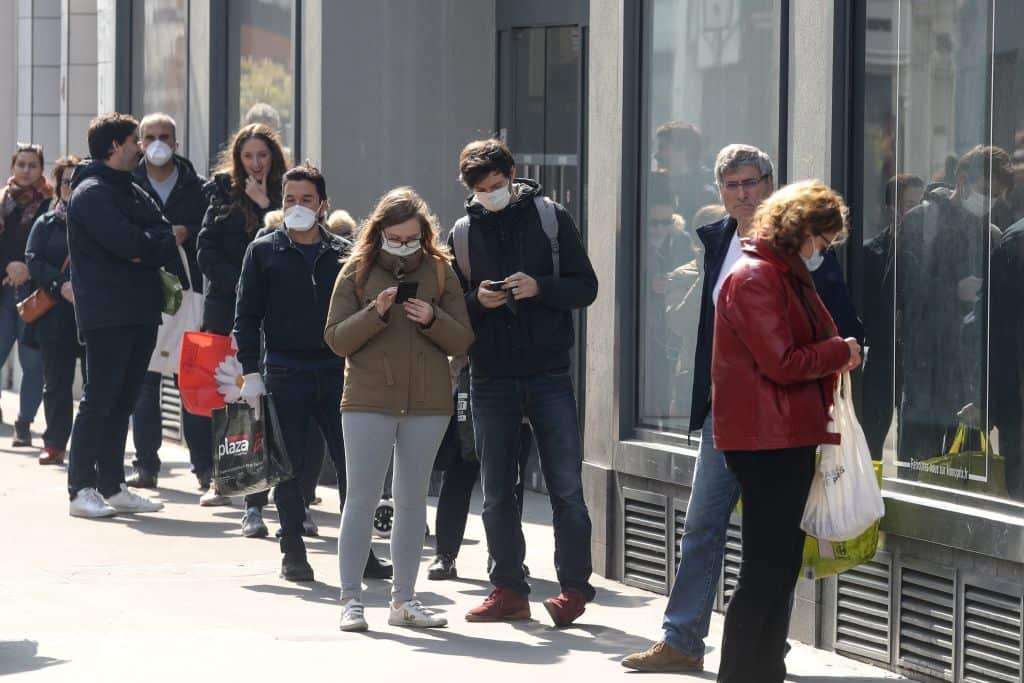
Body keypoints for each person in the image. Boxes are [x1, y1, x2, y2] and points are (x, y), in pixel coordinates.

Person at [623, 144, 776, 672]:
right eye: (732, 185)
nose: (743, 193)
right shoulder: (719, 240)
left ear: (769, 184)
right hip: (722, 408)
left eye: (751, 182)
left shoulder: (791, 242)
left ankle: (764, 647)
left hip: (778, 414)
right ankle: (683, 640)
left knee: (768, 534)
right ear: (720, 193)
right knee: (702, 525)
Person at [712, 180, 860, 683]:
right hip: (766, 439)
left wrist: (836, 350)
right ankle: (742, 672)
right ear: (803, 231)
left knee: (778, 568)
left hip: (782, 434)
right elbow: (782, 361)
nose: (826, 249)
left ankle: (763, 669)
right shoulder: (758, 277)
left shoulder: (781, 274)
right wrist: (840, 352)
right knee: (765, 569)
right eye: (824, 239)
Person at [449, 138, 598, 627]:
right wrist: (478, 301)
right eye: (481, 188)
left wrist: (541, 287)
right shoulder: (464, 232)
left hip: (549, 372)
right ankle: (508, 587)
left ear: (512, 174)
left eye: (497, 184)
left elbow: (586, 286)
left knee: (566, 489)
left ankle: (574, 589)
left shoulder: (551, 217)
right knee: (496, 491)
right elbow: (455, 305)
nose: (490, 193)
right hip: (491, 374)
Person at [325, 187, 474, 631]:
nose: (404, 245)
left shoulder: (441, 270)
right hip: (368, 398)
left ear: (424, 234)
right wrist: (376, 311)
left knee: (412, 503)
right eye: (396, 237)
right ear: (379, 232)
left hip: (428, 402)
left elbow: (463, 339)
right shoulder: (356, 270)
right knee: (362, 499)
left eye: (412, 238)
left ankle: (404, 601)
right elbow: (335, 339)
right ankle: (350, 599)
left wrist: (431, 318)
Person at [65, 113, 175, 518]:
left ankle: (112, 485)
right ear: (114, 146)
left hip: (142, 309)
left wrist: (144, 247)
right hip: (107, 313)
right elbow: (126, 242)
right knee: (100, 399)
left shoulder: (132, 188)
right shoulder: (91, 192)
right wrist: (145, 246)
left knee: (124, 399)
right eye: (134, 140)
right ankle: (81, 489)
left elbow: (165, 236)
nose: (141, 147)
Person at [896, 146, 1010, 466]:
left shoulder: (990, 235)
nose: (989, 201)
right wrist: (953, 292)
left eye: (996, 196)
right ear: (962, 180)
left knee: (964, 467)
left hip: (967, 374)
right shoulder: (921, 220)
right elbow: (901, 291)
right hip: (925, 369)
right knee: (918, 466)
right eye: (986, 191)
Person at [198, 123, 286, 533]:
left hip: (274, 306)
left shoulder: (290, 190)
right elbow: (205, 249)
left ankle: (279, 482)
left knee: (265, 394)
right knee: (227, 391)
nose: (255, 163)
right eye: (248, 156)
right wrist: (240, 284)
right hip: (227, 304)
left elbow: (291, 233)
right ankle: (223, 475)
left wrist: (266, 201)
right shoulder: (220, 193)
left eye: (262, 156)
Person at [127, 113, 216, 496]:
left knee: (192, 384)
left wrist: (188, 232)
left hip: (189, 295)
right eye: (151, 137)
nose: (158, 143)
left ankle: (205, 469)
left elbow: (211, 232)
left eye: (165, 136)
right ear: (140, 143)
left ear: (176, 143)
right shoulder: (127, 184)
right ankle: (146, 465)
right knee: (145, 384)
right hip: (144, 294)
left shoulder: (198, 188)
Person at [427, 355, 534, 581]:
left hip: (515, 388)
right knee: (457, 478)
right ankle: (445, 555)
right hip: (469, 385)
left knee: (510, 483)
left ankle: (504, 556)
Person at [861, 174, 925, 458]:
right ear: (893, 208)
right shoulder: (871, 252)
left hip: (920, 356)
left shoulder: (934, 250)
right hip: (883, 354)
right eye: (910, 204)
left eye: (920, 203)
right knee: (872, 433)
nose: (918, 211)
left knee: (914, 441)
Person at [25, 155, 83, 465]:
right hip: (55, 312)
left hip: (93, 313)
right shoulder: (46, 223)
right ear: (58, 186)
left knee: (96, 383)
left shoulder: (99, 221)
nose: (72, 187)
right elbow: (33, 259)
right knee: (57, 382)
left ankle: (96, 447)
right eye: (66, 181)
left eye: (79, 182)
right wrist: (61, 285)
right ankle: (55, 442)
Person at [0, 143, 52, 446]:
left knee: (32, 362)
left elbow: (54, 246)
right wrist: (9, 265)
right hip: (4, 290)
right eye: (21, 164)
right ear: (12, 167)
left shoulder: (49, 203)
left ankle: (24, 422)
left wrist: (27, 268)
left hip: (36, 293)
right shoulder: (2, 202)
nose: (26, 170)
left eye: (32, 165)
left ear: (41, 169)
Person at [653, 121, 719, 221]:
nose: (656, 155)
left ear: (683, 150)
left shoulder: (706, 194)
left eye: (662, 148)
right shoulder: (654, 185)